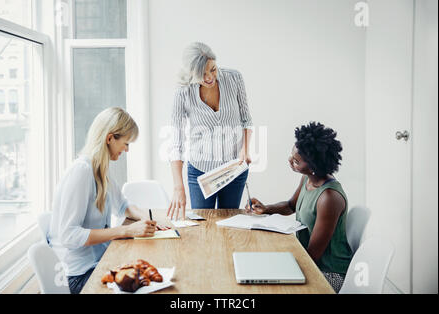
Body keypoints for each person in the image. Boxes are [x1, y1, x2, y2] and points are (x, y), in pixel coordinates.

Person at [48, 107, 166, 294]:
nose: (127, 150)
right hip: (80, 276)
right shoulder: (81, 171)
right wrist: (125, 230)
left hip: (100, 262)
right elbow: (69, 236)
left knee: (152, 270)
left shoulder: (101, 169)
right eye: (126, 143)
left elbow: (123, 205)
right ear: (110, 138)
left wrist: (149, 219)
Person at [246, 122, 353, 293]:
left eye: (296, 161)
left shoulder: (329, 198)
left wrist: (278, 258)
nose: (290, 161)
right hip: (309, 259)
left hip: (328, 272)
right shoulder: (308, 179)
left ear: (313, 167)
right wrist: (266, 209)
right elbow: (290, 206)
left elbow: (312, 255)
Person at [168, 42, 253, 220]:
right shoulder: (183, 93)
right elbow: (176, 143)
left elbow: (246, 119)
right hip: (201, 171)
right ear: (191, 73)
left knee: (229, 224)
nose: (209, 77)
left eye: (212, 70)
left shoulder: (234, 78)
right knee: (203, 225)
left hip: (234, 169)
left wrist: (245, 150)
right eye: (202, 74)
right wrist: (178, 187)